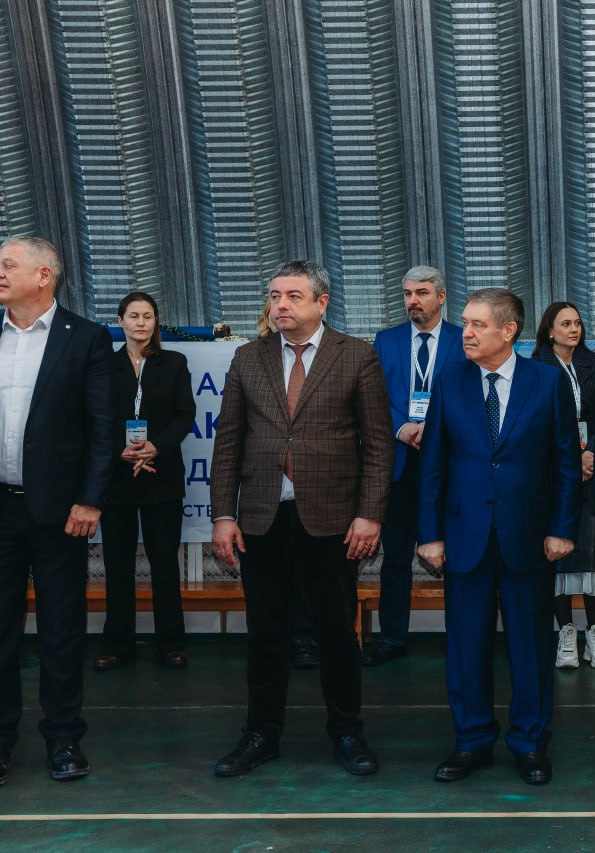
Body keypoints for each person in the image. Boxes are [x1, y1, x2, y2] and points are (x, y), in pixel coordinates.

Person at [0, 236, 114, 789]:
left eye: (8, 265)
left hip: (62, 514)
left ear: (44, 275)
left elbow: (103, 429)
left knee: (62, 631)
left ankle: (64, 738)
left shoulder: (86, 338)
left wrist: (91, 499)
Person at [209, 260, 393, 779]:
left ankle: (347, 732)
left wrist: (370, 514)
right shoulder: (248, 358)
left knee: (336, 633)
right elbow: (229, 442)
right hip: (262, 519)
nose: (281, 305)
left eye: (292, 296)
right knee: (265, 634)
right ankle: (260, 734)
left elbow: (379, 445)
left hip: (333, 520)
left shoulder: (356, 356)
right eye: (274, 296)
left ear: (321, 302)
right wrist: (223, 514)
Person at [417, 288, 581, 785]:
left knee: (530, 648)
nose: (465, 333)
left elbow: (566, 463)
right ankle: (471, 742)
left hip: (529, 537)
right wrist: (430, 534)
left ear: (508, 331)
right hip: (464, 537)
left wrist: (562, 529)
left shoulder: (547, 382)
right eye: (465, 323)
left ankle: (530, 743)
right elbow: (433, 464)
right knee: (466, 646)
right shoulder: (450, 381)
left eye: (477, 325)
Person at [366, 266, 465, 666]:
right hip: (400, 462)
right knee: (395, 555)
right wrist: (402, 426)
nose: (413, 301)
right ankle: (392, 636)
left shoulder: (464, 338)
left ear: (441, 297)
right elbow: (372, 396)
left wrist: (434, 427)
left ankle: (463, 634)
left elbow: (471, 395)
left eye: (421, 293)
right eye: (407, 293)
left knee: (459, 553)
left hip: (450, 464)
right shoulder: (385, 341)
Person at [93, 292, 197, 672]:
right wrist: (115, 451)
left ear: (156, 322)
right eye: (133, 316)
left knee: (165, 564)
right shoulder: (104, 365)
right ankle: (118, 645)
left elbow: (185, 415)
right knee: (117, 565)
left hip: (160, 474)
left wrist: (155, 447)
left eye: (148, 316)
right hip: (117, 477)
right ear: (120, 320)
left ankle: (171, 643)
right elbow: (93, 416)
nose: (141, 322)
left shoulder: (174, 362)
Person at [531, 301, 595, 669]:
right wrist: (570, 459)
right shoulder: (535, 368)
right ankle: (565, 631)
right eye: (565, 324)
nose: (573, 329)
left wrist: (590, 453)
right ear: (550, 330)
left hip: (593, 471)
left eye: (577, 323)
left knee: (593, 551)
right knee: (558, 550)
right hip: (553, 472)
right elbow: (534, 424)